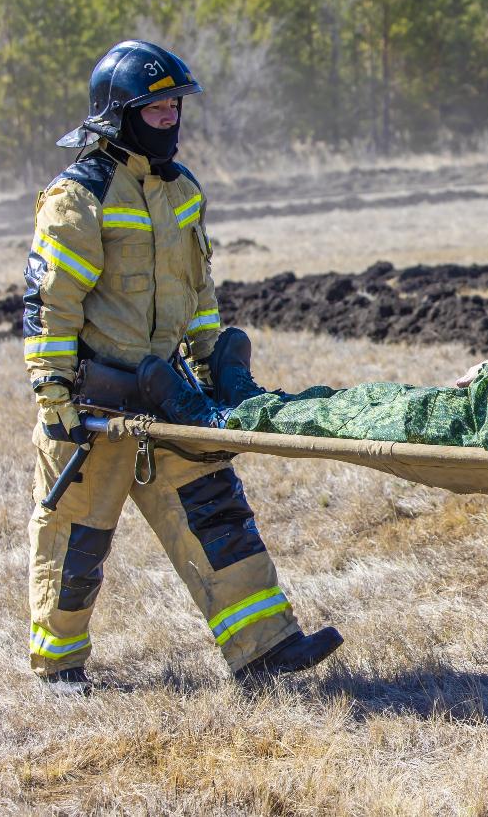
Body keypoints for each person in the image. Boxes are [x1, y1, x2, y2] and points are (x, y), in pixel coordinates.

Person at [24, 41, 341, 698]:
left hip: (168, 394)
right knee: (78, 539)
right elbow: (51, 300)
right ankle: (58, 665)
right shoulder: (77, 197)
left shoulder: (181, 191)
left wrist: (208, 359)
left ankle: (266, 647)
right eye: (159, 109)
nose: (172, 118)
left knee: (216, 512)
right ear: (118, 116)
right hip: (95, 406)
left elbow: (198, 293)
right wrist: (53, 390)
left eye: (176, 108)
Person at [93, 332, 488, 458]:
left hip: (454, 425)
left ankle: (213, 414)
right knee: (349, 397)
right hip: (459, 400)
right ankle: (248, 400)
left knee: (343, 416)